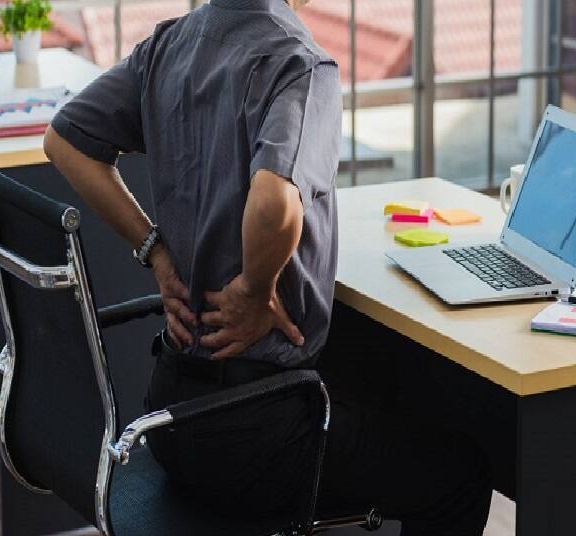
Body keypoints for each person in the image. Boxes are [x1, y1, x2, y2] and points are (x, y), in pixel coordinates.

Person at [44, 0, 492, 534]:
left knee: (371, 400)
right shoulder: (300, 65)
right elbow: (274, 202)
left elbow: (64, 139)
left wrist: (154, 251)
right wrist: (255, 290)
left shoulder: (170, 45)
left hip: (167, 420)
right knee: (461, 475)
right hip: (256, 437)